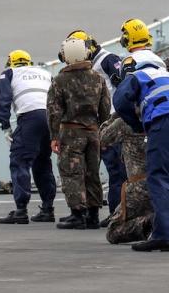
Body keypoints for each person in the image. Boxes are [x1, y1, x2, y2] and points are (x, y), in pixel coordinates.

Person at [113, 18, 169, 253]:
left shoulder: (137, 74)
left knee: (160, 176)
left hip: (165, 120)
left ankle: (163, 235)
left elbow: (119, 101)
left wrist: (137, 124)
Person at [47, 37, 111, 230]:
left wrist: (54, 136)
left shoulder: (60, 80)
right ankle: (93, 215)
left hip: (71, 133)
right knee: (93, 173)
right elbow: (106, 108)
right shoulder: (98, 78)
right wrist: (101, 129)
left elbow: (53, 111)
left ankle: (77, 214)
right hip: (93, 133)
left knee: (71, 173)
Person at [68, 29, 125, 228]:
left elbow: (121, 82)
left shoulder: (107, 59)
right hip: (102, 121)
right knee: (106, 169)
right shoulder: (95, 63)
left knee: (116, 169)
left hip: (111, 120)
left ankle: (116, 212)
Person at [0, 49, 57, 224]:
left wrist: (5, 125)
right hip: (51, 117)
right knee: (43, 162)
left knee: (20, 160)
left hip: (30, 117)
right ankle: (48, 209)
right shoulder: (45, 73)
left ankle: (21, 210)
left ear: (11, 62)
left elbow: (3, 100)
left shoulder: (9, 73)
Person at [100, 114, 153, 244]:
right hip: (163, 183)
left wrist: (114, 116)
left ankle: (150, 222)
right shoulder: (159, 119)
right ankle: (161, 222)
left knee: (113, 232)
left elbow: (103, 137)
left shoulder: (124, 122)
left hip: (138, 187)